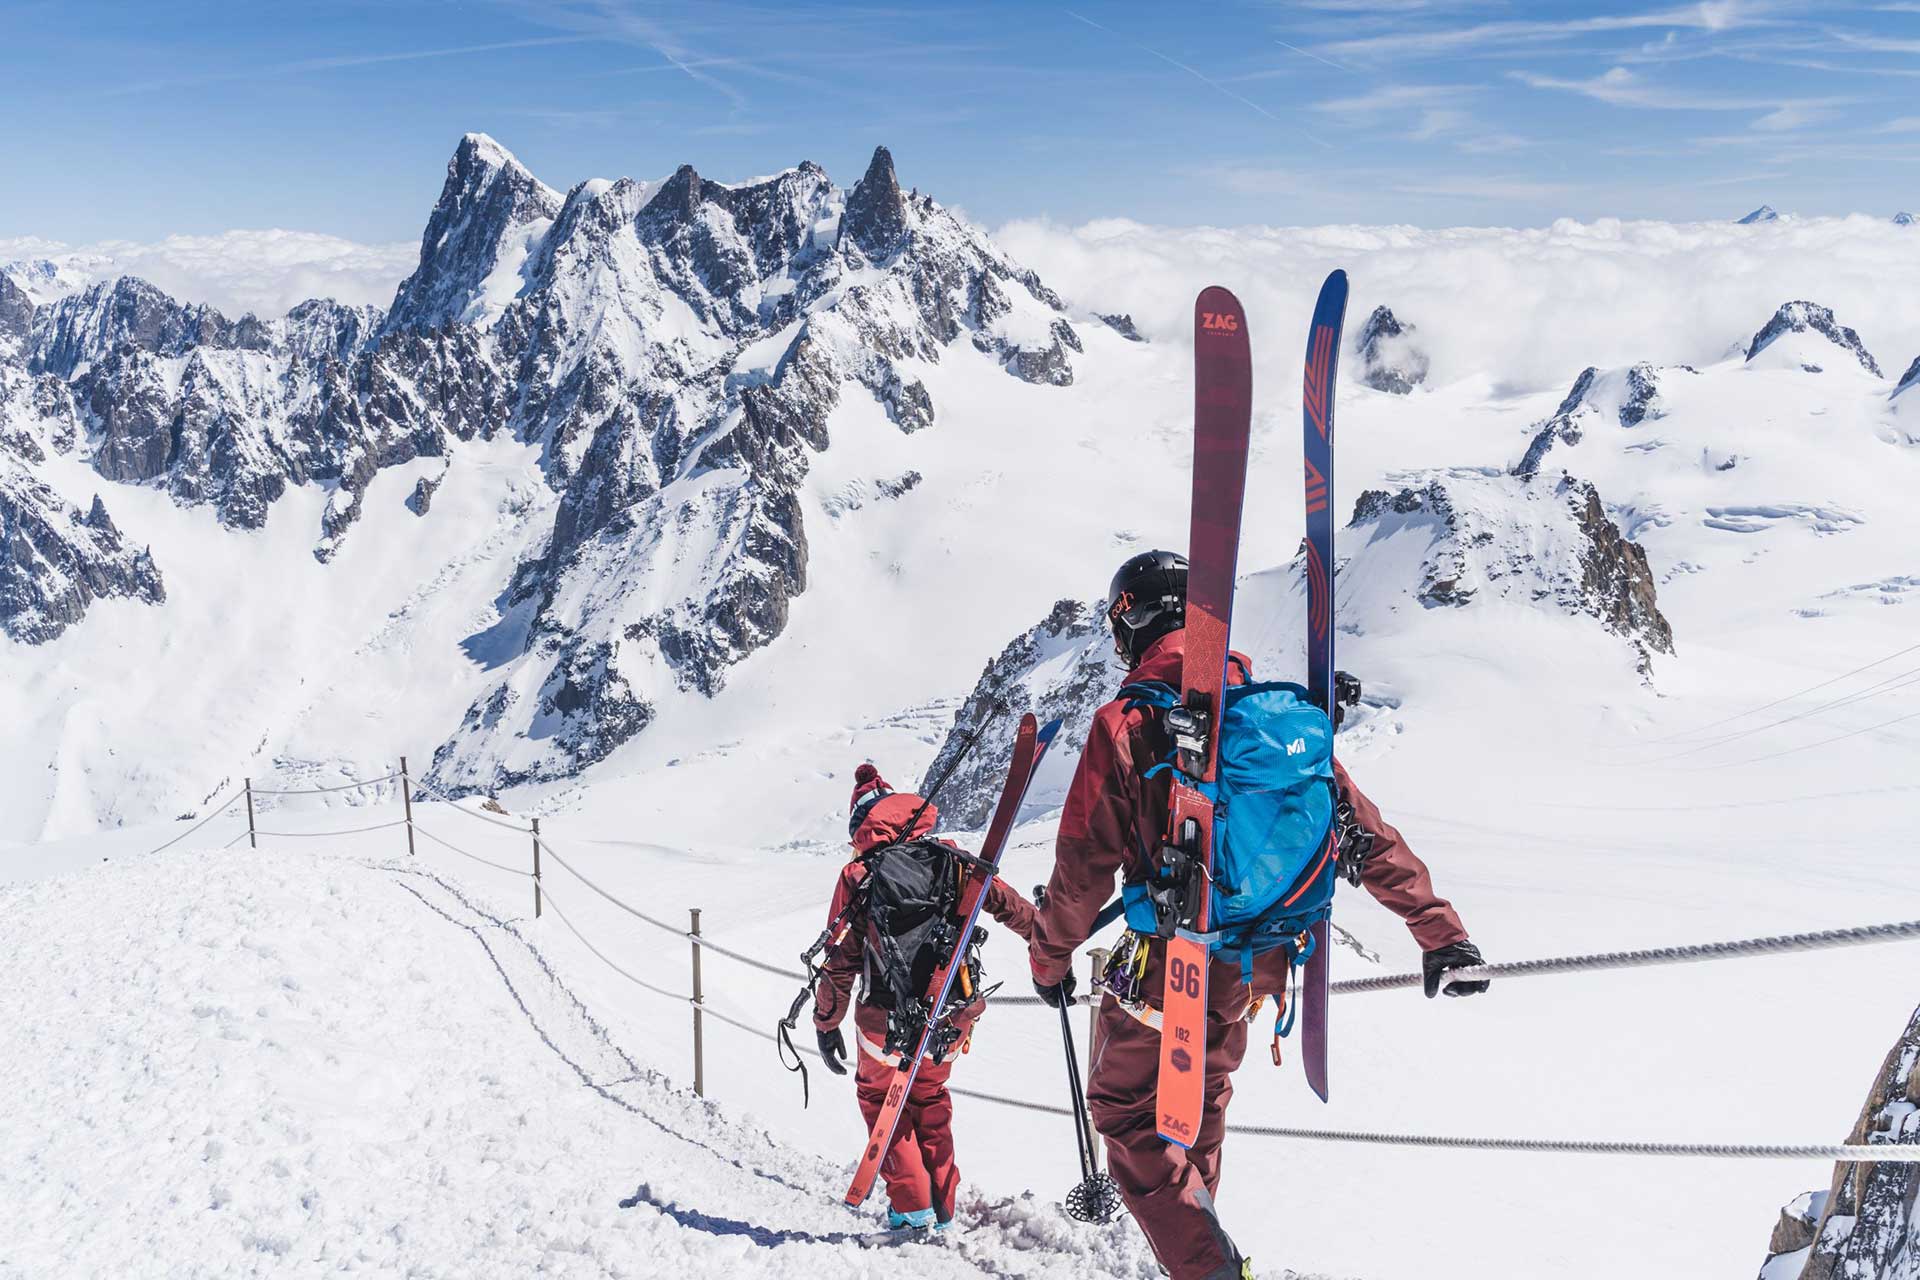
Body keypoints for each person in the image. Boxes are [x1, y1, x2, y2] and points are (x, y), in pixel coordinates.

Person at [1027, 550, 1489, 1279]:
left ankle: (1209, 1270)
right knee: (1197, 1111)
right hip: (1249, 974)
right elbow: (1359, 831)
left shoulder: (1128, 721)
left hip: (1163, 974)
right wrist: (1440, 932)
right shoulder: (1274, 721)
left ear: (1130, 622)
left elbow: (1081, 870)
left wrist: (1048, 960)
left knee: (1125, 1114)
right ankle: (1203, 1257)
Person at [812, 762, 1037, 1231]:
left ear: (864, 827)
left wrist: (826, 1023)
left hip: (882, 1022)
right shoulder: (953, 861)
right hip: (950, 1013)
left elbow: (841, 959)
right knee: (929, 1097)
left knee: (880, 1101)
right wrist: (1050, 942)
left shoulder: (859, 876)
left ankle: (910, 1207)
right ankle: (943, 1208)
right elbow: (1010, 906)